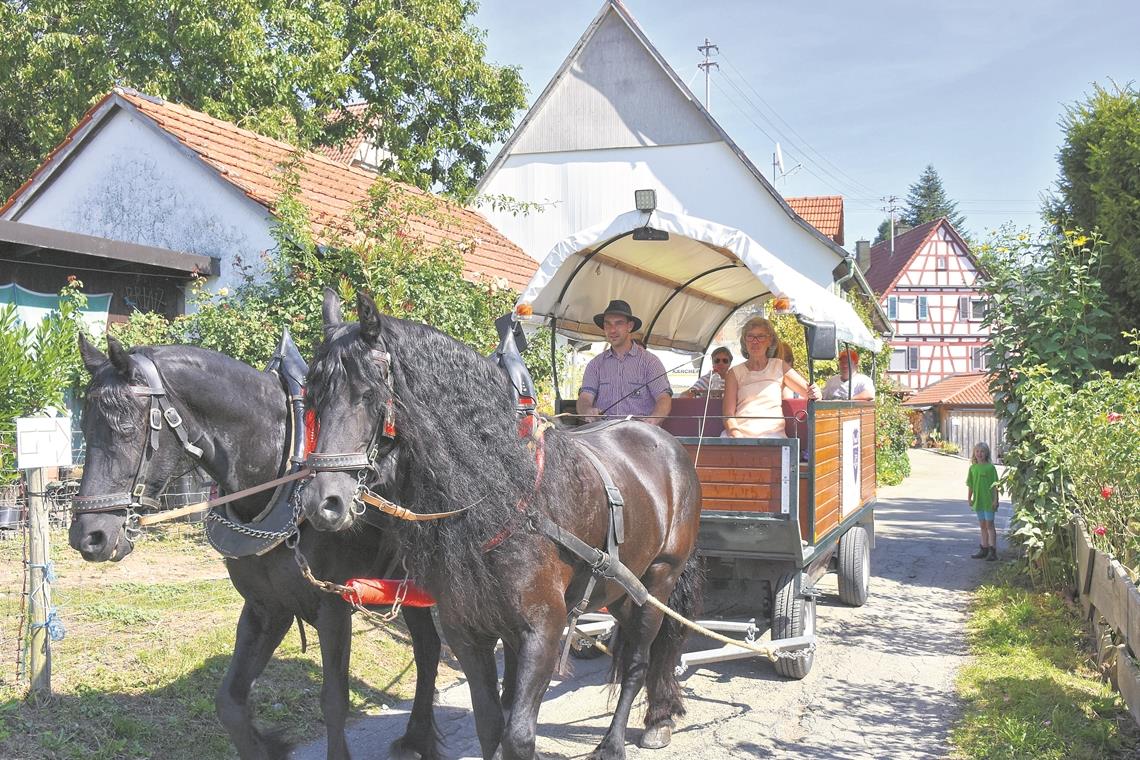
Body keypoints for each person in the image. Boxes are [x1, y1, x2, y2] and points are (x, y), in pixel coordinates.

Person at [578, 300, 672, 425]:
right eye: (607, 325)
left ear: (630, 326)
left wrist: (654, 418)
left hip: (638, 433)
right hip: (603, 435)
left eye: (618, 324)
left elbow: (663, 398)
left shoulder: (650, 362)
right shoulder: (595, 365)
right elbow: (585, 398)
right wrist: (587, 410)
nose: (612, 330)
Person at [723, 316, 819, 438]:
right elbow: (728, 414)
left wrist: (816, 392)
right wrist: (736, 435)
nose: (755, 341)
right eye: (750, 336)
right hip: (739, 435)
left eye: (761, 336)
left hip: (773, 437)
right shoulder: (734, 372)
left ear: (769, 341)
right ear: (744, 341)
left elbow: (810, 392)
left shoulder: (779, 366)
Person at [966, 441, 1000, 561]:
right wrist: (969, 498)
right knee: (982, 526)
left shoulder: (991, 468)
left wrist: (996, 500)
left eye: (982, 452)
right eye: (977, 451)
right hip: (978, 501)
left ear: (987, 454)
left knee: (990, 525)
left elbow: (996, 486)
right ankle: (984, 548)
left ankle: (993, 550)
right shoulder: (972, 468)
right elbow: (970, 485)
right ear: (974, 453)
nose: (979, 454)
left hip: (989, 502)